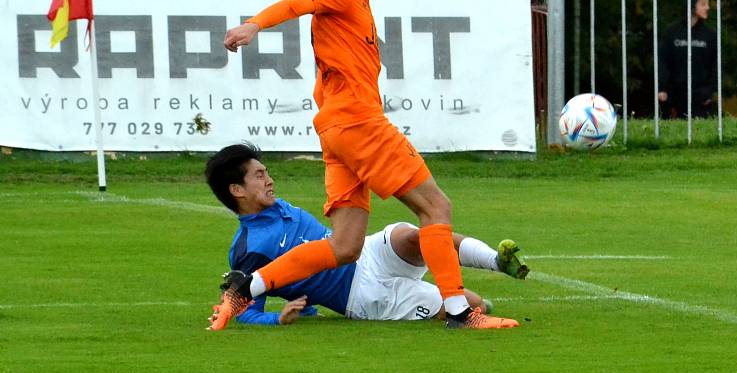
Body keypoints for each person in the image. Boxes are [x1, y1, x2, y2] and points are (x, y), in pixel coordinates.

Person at [213, 0, 517, 330]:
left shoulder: (357, 6)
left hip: (336, 132)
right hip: (359, 124)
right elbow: (299, 1)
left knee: (343, 246)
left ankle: (249, 286)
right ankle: (461, 314)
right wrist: (253, 25)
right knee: (436, 207)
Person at [204, 143, 526, 328]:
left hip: (364, 252)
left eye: (267, 172)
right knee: (472, 303)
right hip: (362, 297)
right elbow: (246, 310)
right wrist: (279, 318)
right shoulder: (248, 247)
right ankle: (478, 305)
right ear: (237, 190)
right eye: (259, 176)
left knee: (410, 235)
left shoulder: (276, 207)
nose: (269, 180)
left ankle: (496, 261)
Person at [658, 0, 718, 119]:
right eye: (703, 4)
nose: (707, 8)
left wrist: (710, 92)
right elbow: (662, 61)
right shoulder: (672, 32)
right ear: (691, 6)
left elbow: (716, 66)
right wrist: (662, 88)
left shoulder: (710, 35)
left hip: (701, 97)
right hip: (674, 96)